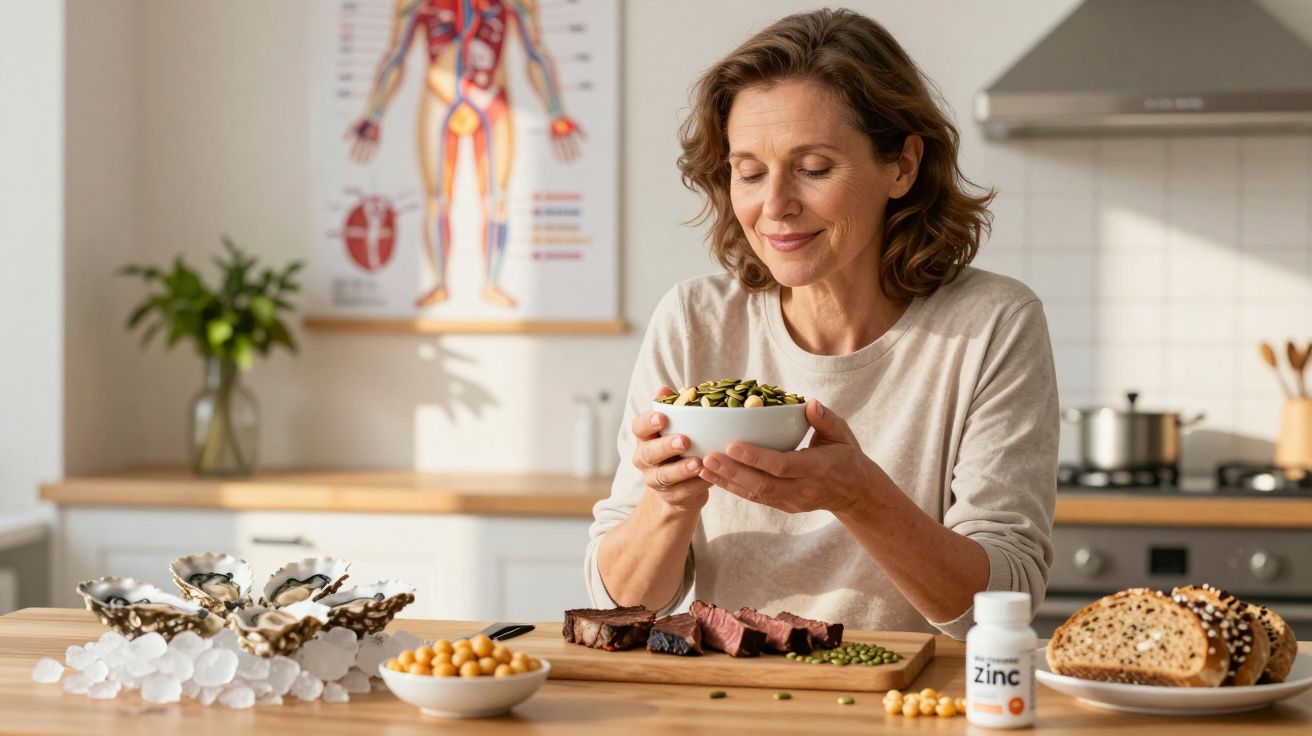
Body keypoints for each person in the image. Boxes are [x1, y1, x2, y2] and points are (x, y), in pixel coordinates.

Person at [585, 8, 1058, 639]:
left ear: (903, 166)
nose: (774, 206)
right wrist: (668, 503)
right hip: (734, 688)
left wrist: (859, 495)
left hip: (915, 693)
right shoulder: (695, 321)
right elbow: (620, 603)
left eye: (813, 169)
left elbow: (1003, 603)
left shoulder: (992, 323)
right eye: (750, 173)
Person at [347, 0, 585, 308]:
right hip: (440, 96)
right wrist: (375, 113)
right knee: (437, 200)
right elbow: (396, 55)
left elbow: (535, 52)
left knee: (497, 200)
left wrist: (556, 111)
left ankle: (492, 283)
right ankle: (440, 282)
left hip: (493, 97)